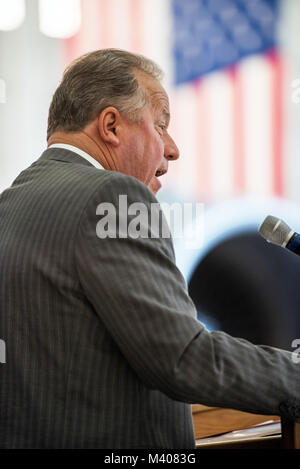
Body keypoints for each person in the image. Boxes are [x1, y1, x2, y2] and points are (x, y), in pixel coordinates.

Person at [0, 49, 299, 449]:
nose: (172, 149)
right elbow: (183, 357)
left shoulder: (11, 203)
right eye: (160, 126)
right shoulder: (113, 195)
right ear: (110, 125)